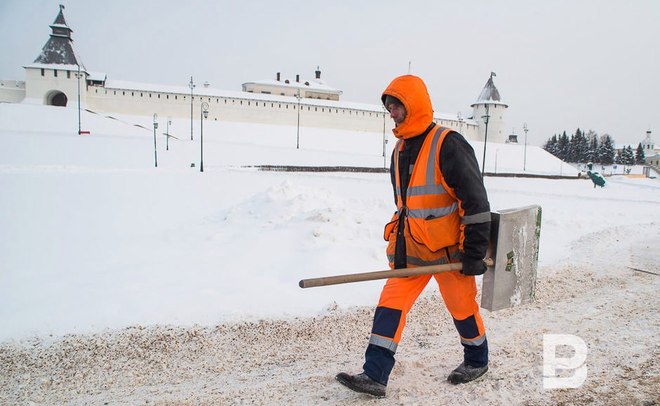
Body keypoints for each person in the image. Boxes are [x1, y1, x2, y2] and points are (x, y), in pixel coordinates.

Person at [336, 75, 491, 398]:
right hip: (413, 249)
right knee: (390, 304)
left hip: (450, 251)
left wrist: (473, 253)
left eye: (397, 106)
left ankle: (477, 360)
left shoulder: (448, 143)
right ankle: (374, 374)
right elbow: (407, 205)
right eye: (389, 107)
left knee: (462, 307)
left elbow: (475, 202)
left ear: (414, 105)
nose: (391, 113)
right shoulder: (399, 149)